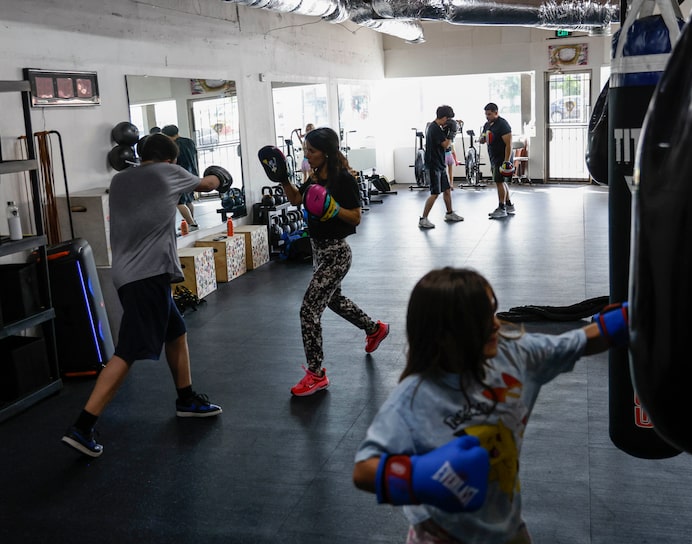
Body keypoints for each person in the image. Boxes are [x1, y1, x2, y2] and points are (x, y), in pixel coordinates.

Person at [353, 267, 628, 544]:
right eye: (481, 319)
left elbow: (575, 343)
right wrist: (421, 476)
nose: (496, 324)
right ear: (445, 333)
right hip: (439, 541)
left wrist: (626, 321)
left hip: (506, 532)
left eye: (492, 312)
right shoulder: (414, 398)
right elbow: (363, 470)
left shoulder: (515, 354)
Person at [61, 133, 232, 458]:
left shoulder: (122, 179)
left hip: (127, 274)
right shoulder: (167, 173)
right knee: (127, 352)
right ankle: (83, 425)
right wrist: (218, 175)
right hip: (148, 275)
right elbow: (209, 184)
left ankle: (186, 398)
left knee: (176, 332)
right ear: (170, 159)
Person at [258, 127, 389, 397]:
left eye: (312, 151)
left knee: (309, 311)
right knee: (333, 300)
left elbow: (355, 217)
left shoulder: (343, 180)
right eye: (306, 150)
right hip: (319, 251)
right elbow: (297, 199)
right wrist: (283, 179)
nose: (307, 155)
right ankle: (374, 329)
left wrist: (332, 208)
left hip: (337, 254)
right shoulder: (315, 176)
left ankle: (316, 374)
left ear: (326, 153)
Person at [419, 105, 463, 229]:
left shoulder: (436, 127)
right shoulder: (434, 129)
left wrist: (448, 130)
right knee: (435, 193)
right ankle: (423, 219)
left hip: (439, 163)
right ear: (444, 118)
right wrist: (452, 133)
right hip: (433, 165)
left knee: (447, 189)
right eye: (448, 119)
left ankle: (449, 213)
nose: (448, 122)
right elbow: (445, 144)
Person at [480, 103, 517, 219]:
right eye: (486, 114)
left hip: (502, 158)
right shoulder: (487, 125)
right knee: (502, 182)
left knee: (499, 182)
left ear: (496, 113)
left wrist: (507, 161)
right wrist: (482, 139)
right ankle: (509, 205)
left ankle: (501, 208)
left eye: (489, 114)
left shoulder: (503, 125)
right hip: (494, 157)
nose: (487, 116)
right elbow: (484, 137)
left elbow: (509, 145)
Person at [162, 124, 200, 230]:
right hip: (192, 173)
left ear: (166, 136)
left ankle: (191, 224)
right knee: (188, 200)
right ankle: (191, 221)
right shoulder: (189, 142)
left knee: (179, 202)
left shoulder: (173, 145)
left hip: (180, 175)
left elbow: (173, 161)